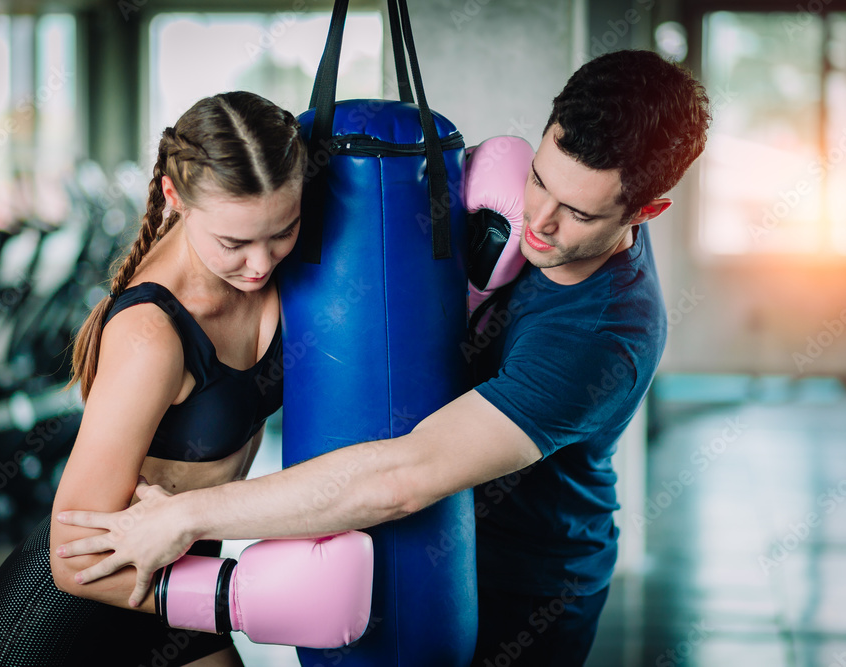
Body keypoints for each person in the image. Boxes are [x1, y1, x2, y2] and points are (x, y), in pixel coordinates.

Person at [55, 50, 712, 667]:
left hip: (524, 586)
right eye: (539, 178)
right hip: (383, 550)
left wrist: (186, 515)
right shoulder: (161, 321)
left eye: (576, 212)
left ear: (646, 211)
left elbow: (404, 477)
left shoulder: (600, 339)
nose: (538, 219)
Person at [0, 90, 306, 667]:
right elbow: (72, 555)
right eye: (234, 242)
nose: (262, 263)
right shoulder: (153, 334)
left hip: (180, 590)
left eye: (283, 231)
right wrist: (243, 599)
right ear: (175, 198)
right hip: (75, 610)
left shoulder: (287, 265)